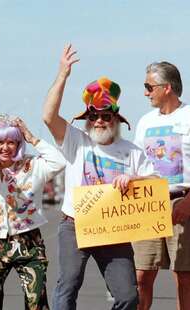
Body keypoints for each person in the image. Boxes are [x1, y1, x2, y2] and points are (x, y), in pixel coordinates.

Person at [42, 44, 158, 310]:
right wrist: (62, 75)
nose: (99, 121)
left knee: (129, 296)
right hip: (76, 225)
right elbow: (48, 117)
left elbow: (154, 184)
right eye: (93, 116)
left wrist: (133, 181)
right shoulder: (76, 141)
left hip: (115, 230)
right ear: (87, 119)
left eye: (106, 116)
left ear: (116, 119)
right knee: (67, 288)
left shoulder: (132, 151)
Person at [0, 116, 66, 309]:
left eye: (11, 142)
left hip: (29, 243)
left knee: (36, 302)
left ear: (19, 144)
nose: (5, 147)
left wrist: (31, 137)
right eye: (0, 142)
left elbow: (59, 162)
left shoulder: (32, 166)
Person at [132, 61, 190, 310]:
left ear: (167, 87)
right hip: (148, 203)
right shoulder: (144, 122)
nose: (146, 92)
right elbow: (135, 162)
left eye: (149, 86)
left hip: (182, 201)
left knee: (184, 276)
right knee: (141, 274)